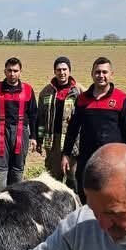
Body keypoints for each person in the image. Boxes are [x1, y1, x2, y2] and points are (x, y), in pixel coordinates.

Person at [61, 56, 126, 203]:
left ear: (111, 74)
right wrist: (66, 154)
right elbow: (73, 129)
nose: (101, 76)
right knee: (86, 195)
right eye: (97, 72)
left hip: (113, 162)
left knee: (111, 198)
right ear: (92, 74)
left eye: (104, 72)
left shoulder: (122, 99)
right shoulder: (82, 99)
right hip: (87, 160)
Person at [0, 57, 38, 197]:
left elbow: (33, 115)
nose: (12, 74)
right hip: (0, 133)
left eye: (15, 71)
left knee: (17, 169)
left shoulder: (28, 89)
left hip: (21, 133)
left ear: (20, 72)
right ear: (4, 71)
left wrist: (33, 137)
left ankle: (15, 202)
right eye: (9, 70)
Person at [36, 56, 84, 190]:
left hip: (74, 141)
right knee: (53, 178)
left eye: (64, 69)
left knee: (72, 175)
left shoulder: (79, 91)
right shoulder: (46, 92)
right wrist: (39, 139)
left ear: (70, 71)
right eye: (58, 70)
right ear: (54, 71)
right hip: (53, 141)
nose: (62, 73)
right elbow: (41, 118)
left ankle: (76, 205)